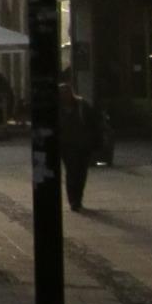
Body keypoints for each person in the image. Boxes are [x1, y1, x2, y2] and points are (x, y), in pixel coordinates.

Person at [58, 80, 95, 211]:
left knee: (81, 172)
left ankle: (77, 198)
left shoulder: (81, 105)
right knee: (72, 172)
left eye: (66, 92)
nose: (64, 95)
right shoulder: (57, 108)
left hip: (82, 145)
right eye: (61, 93)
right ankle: (74, 200)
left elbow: (93, 123)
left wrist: (94, 141)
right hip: (67, 146)